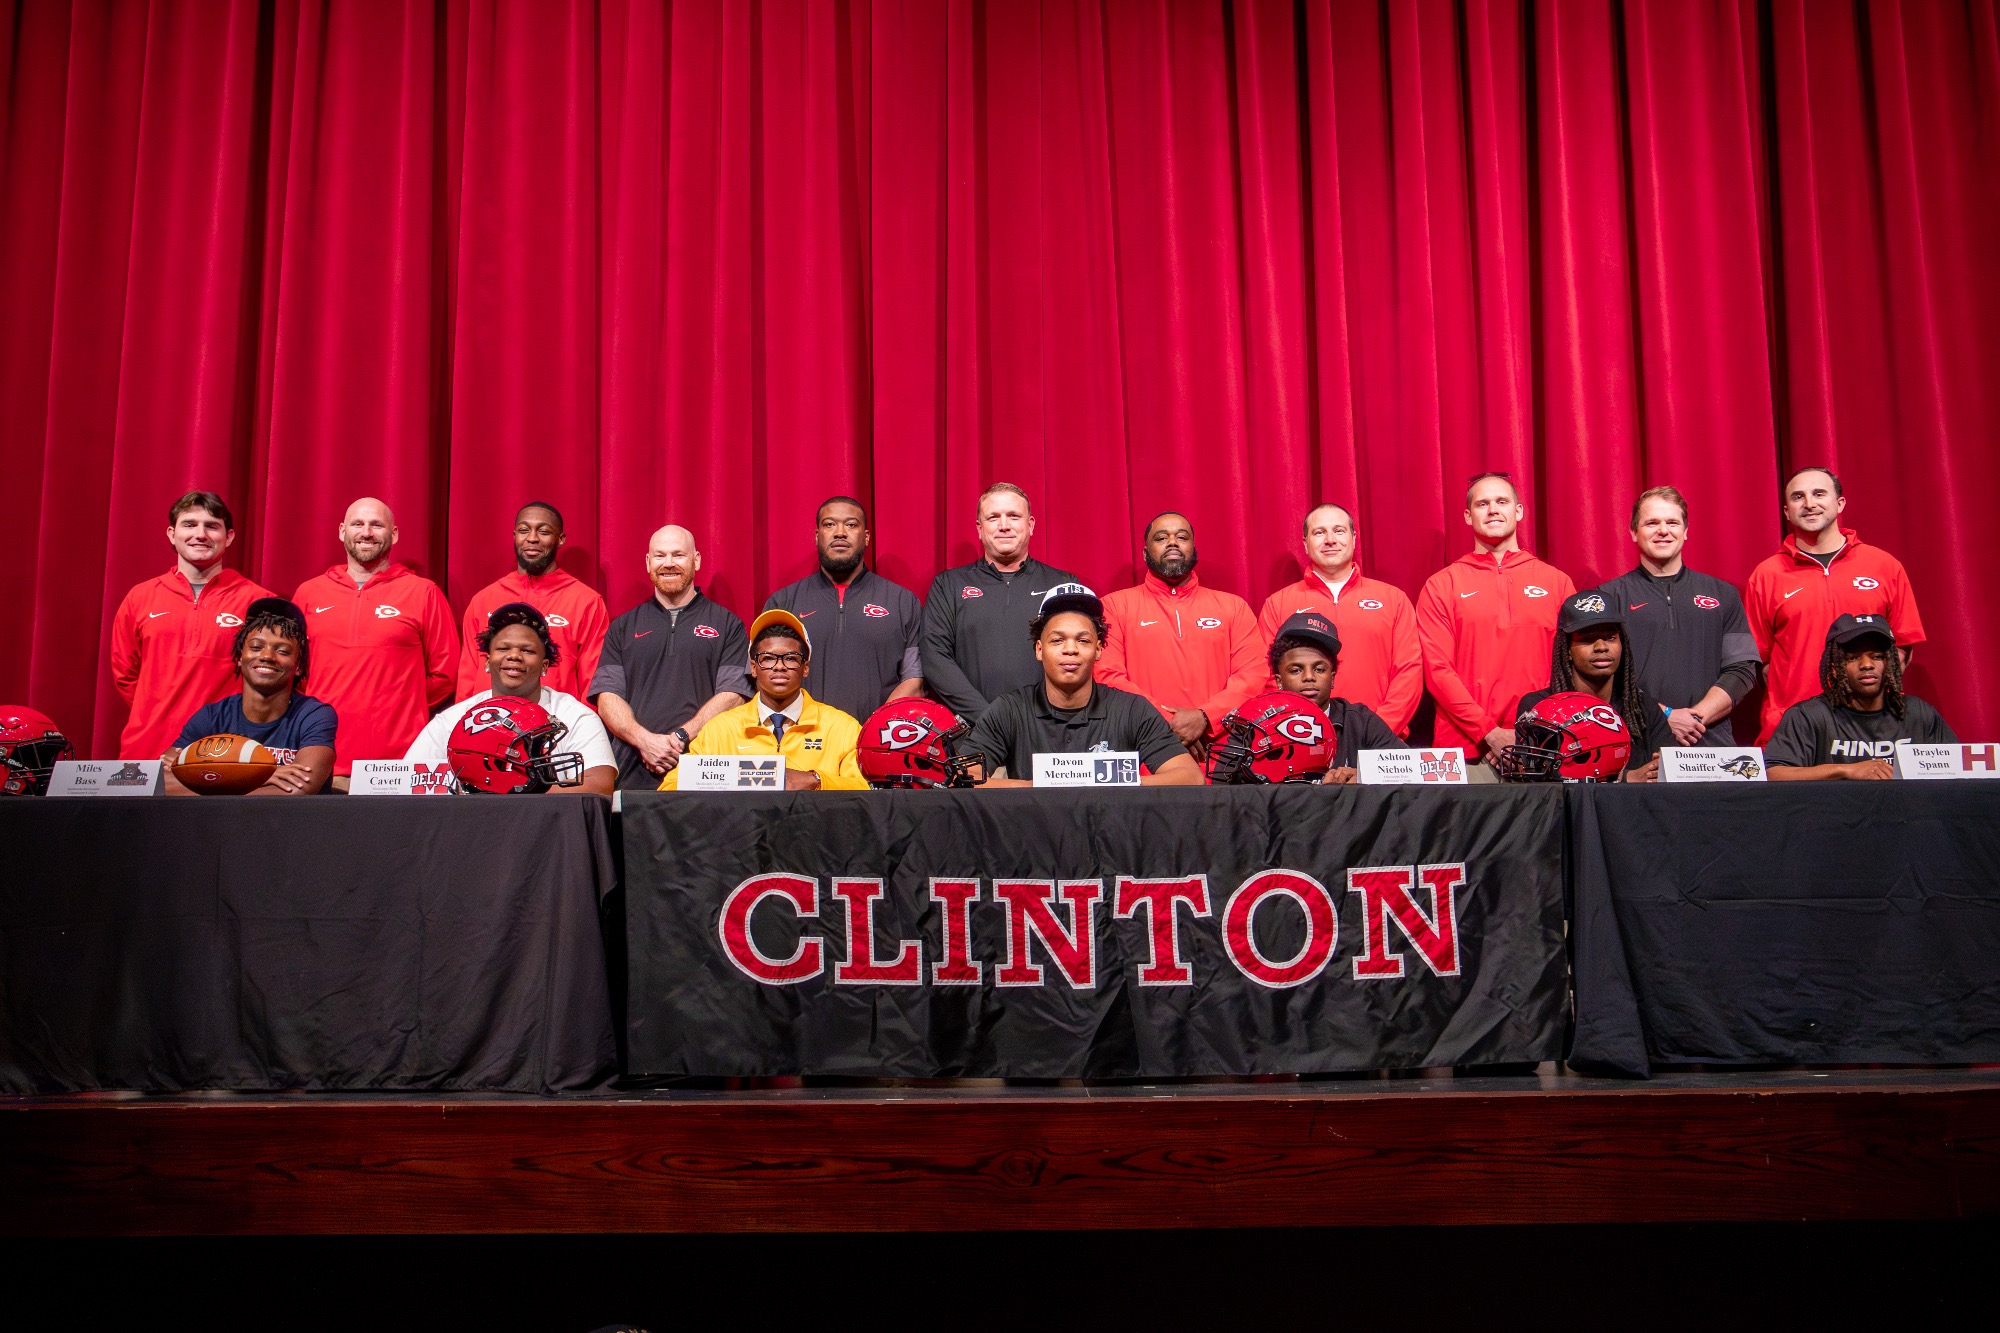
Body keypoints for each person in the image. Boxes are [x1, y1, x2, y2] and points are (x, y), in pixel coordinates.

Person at [1745, 466, 1925, 742]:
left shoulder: (1884, 566)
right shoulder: (1766, 575)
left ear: (1840, 504)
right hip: (1795, 730)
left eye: (1819, 494)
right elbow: (1762, 661)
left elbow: (1901, 647)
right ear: (1786, 511)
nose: (1809, 504)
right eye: (1798, 497)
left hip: (1873, 728)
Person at [962, 585, 1204, 787]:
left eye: (1083, 640)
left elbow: (1190, 777)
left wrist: (1113, 782)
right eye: (1057, 640)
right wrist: (1043, 785)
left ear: (1098, 650)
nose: (1070, 649)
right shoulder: (1009, 709)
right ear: (1039, 649)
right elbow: (963, 775)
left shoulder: (1132, 709)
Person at [1416, 473, 1576, 775]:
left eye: (1501, 501)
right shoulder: (1442, 585)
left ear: (1518, 511)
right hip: (1465, 752)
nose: (1492, 510)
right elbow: (1437, 671)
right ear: (1467, 515)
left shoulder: (1557, 582)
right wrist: (1489, 733)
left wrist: (1531, 735)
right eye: (1482, 503)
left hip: (1543, 747)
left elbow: (1568, 669)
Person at [293, 497, 458, 780]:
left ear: (393, 534)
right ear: (342, 531)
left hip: (400, 761)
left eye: (377, 525)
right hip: (320, 754)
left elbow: (445, 673)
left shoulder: (423, 593)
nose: (367, 532)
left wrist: (401, 703)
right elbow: (294, 672)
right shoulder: (309, 594)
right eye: (358, 524)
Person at [110, 491, 274, 760]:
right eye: (190, 524)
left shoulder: (259, 602)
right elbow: (126, 676)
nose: (201, 534)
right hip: (148, 749)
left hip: (227, 752)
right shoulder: (139, 597)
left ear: (228, 537)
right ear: (172, 534)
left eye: (212, 526)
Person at [587, 524, 750, 789]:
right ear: (648, 562)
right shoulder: (623, 627)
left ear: (696, 561)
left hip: (705, 768)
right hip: (634, 768)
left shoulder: (728, 624)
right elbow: (607, 698)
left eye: (678, 555)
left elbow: (733, 695)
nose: (669, 563)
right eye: (660, 556)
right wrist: (645, 741)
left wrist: (681, 737)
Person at [1599, 487, 1761, 747]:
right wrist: (1665, 715)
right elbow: (1604, 675)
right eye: (1652, 523)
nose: (1663, 530)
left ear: (1685, 531)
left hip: (1710, 742)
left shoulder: (1724, 594)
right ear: (1633, 532)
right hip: (1639, 742)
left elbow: (1741, 669)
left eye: (1672, 522)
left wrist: (1697, 717)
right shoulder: (1609, 597)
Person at [1095, 511, 1265, 756]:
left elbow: (1253, 675)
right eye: (1161, 538)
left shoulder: (1233, 607)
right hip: (1144, 750)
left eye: (1182, 537)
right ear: (1145, 553)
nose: (1172, 542)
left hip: (1222, 754)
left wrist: (1204, 718)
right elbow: (1108, 676)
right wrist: (1168, 723)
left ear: (1194, 549)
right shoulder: (1113, 607)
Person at [406, 603, 616, 794]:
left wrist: (514, 802)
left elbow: (600, 784)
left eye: (527, 650)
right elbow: (407, 781)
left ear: (544, 666)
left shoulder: (575, 715)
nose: (514, 655)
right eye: (503, 648)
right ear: (488, 662)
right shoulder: (452, 720)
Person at [1255, 502, 1422, 737]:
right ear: (1305, 543)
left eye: (1339, 531)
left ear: (1353, 538)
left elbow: (1409, 673)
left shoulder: (1393, 599)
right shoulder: (1278, 604)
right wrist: (1305, 731)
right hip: (1303, 740)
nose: (1330, 539)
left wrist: (1374, 732)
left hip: (1379, 741)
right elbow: (1268, 677)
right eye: (1319, 532)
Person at [921, 483, 1082, 723]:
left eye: (1014, 516)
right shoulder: (949, 585)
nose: (1004, 526)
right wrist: (989, 718)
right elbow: (935, 658)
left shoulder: (1062, 585)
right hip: (972, 734)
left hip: (1048, 730)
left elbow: (1076, 656)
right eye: (993, 517)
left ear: (1030, 525)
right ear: (980, 528)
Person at [658, 609, 867, 791]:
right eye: (767, 658)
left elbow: (868, 792)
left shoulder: (842, 728)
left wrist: (816, 780)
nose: (779, 666)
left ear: (805, 668)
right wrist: (733, 781)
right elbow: (670, 790)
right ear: (753, 668)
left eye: (791, 658)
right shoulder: (719, 730)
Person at [761, 496, 923, 723]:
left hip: (877, 742)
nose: (840, 532)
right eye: (829, 524)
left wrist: (876, 730)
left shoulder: (902, 602)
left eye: (851, 524)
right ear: (817, 536)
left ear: (866, 537)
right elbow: (764, 678)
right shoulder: (783, 603)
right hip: (801, 741)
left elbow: (915, 680)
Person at [164, 598, 335, 795]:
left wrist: (209, 779)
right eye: (255, 647)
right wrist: (256, 775)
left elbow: (299, 787)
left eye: (282, 651)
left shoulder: (314, 715)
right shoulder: (212, 717)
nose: (266, 656)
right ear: (239, 658)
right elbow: (163, 782)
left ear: (297, 666)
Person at [1767, 614, 1955, 781]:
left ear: (1889, 664)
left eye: (1877, 656)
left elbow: (1958, 769)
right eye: (1853, 658)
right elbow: (1774, 773)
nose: (1867, 665)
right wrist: (1846, 771)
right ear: (1834, 668)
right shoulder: (1808, 716)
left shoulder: (1918, 713)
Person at [453, 502, 609, 701]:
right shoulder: (483, 600)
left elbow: (592, 680)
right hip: (489, 721)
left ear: (560, 539)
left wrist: (583, 728)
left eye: (543, 531)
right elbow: (468, 677)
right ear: (515, 536)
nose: (532, 538)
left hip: (555, 725)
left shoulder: (586, 601)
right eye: (524, 530)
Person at [1515, 591, 1673, 781]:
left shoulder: (1641, 708)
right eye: (1588, 639)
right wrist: (1625, 779)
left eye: (1610, 637)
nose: (1601, 647)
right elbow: (1544, 782)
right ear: (1568, 651)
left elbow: (1666, 769)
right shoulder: (1540, 707)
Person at [1264, 611, 1401, 781]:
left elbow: (1409, 770)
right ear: (1279, 681)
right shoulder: (1256, 726)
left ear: (1333, 678)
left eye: (1319, 669)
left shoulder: (1360, 722)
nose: (1309, 677)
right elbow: (1226, 789)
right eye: (1296, 670)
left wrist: (1366, 775)